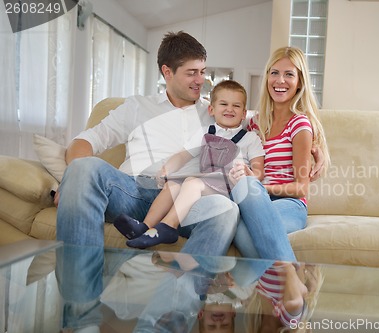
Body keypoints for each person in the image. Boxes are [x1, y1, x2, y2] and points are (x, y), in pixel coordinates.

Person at [54, 31, 240, 332]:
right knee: (83, 169)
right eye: (191, 72)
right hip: (131, 191)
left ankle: (161, 325)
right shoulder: (137, 107)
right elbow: (85, 142)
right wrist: (71, 179)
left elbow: (257, 127)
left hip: (184, 201)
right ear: (167, 71)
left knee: (225, 210)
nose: (200, 80)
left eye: (203, 72)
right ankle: (80, 321)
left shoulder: (216, 111)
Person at [114, 80, 265, 249]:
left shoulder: (250, 138)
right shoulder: (205, 132)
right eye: (224, 104)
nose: (230, 109)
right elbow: (182, 155)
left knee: (192, 181)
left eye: (236, 106)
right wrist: (167, 168)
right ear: (211, 109)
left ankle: (168, 227)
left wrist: (248, 173)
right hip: (203, 188)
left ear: (244, 113)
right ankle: (144, 227)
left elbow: (259, 170)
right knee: (172, 184)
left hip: (230, 191)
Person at [231, 46, 330, 262]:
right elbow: (221, 116)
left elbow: (300, 187)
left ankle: (286, 284)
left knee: (244, 233)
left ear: (300, 82)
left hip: (289, 203)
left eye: (289, 74)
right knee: (238, 227)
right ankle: (290, 287)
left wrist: (258, 188)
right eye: (274, 73)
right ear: (267, 77)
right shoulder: (254, 123)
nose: (280, 81)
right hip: (255, 200)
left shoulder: (300, 125)